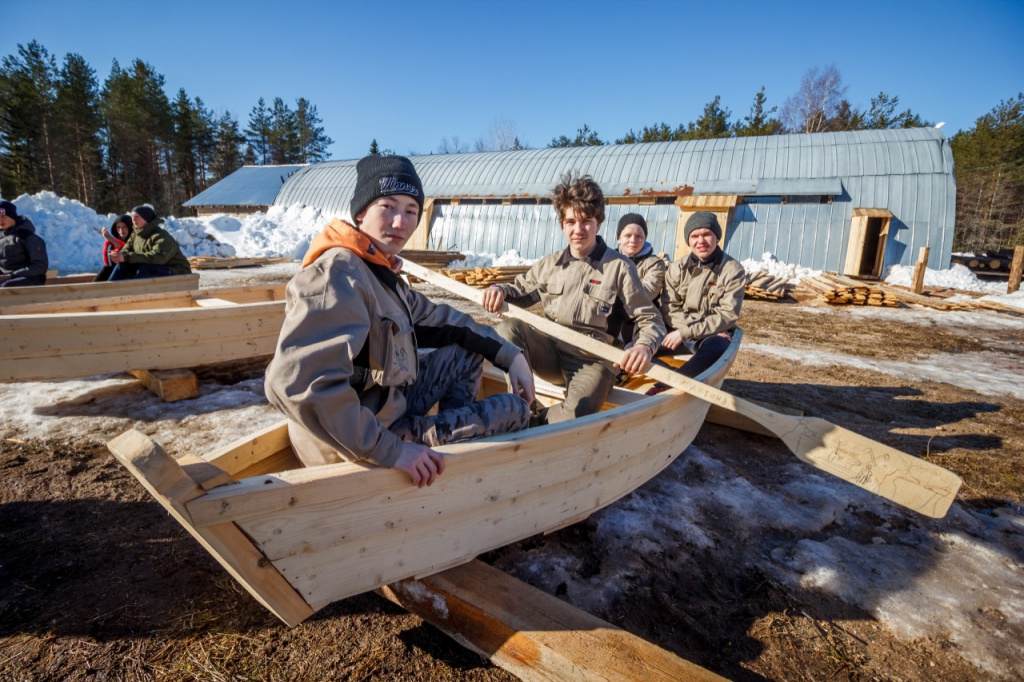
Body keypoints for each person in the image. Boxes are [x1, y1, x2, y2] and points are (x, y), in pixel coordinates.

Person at [264, 155, 534, 488]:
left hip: (384, 408)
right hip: (352, 446)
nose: (400, 223)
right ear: (361, 212)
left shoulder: (376, 272)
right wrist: (393, 451)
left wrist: (511, 355)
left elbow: (446, 320)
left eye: (410, 211)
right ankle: (433, 458)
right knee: (516, 410)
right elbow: (296, 384)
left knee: (466, 352)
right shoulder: (339, 274)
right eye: (388, 207)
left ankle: (447, 461)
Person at [481, 174, 665, 425]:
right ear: (562, 224)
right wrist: (499, 289)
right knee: (506, 329)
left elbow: (650, 318)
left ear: (598, 223)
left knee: (579, 413)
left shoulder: (619, 267)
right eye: (570, 222)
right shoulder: (550, 264)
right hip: (552, 354)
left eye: (586, 221)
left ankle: (531, 421)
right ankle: (520, 403)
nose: (578, 230)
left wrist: (644, 346)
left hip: (594, 361)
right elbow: (519, 290)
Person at [657, 211, 745, 379]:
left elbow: (726, 315)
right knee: (644, 338)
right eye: (695, 236)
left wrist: (686, 333)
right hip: (678, 330)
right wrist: (685, 332)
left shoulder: (733, 270)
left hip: (711, 335)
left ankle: (670, 385)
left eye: (706, 234)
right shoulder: (677, 268)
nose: (700, 241)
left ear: (717, 237)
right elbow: (669, 309)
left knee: (718, 346)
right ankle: (623, 374)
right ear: (688, 240)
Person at [613, 212, 666, 347]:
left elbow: (647, 292)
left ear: (645, 239)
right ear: (619, 238)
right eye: (627, 236)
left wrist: (614, 291)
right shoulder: (609, 261)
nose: (633, 240)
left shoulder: (654, 264)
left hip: (638, 317)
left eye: (639, 236)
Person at [107, 205, 191, 280]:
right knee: (122, 265)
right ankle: (106, 290)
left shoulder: (161, 236)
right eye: (132, 216)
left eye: (137, 217)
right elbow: (126, 250)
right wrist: (119, 255)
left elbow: (158, 258)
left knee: (146, 268)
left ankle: (136, 294)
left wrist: (128, 257)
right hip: (156, 268)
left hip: (176, 271)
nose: (133, 219)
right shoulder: (135, 235)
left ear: (146, 218)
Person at [0, 199, 48, 288]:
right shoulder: (1, 238)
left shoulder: (28, 238)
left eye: (3, 216)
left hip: (31, 277)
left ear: (12, 217)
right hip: (7, 277)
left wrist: (11, 275)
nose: (0, 220)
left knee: (6, 287)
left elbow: (40, 266)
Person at [93, 214, 133, 282]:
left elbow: (127, 251)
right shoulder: (116, 240)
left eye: (124, 227)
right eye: (118, 227)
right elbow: (108, 262)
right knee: (106, 269)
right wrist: (109, 242)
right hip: (115, 270)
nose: (121, 230)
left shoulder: (135, 239)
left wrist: (112, 240)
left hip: (129, 272)